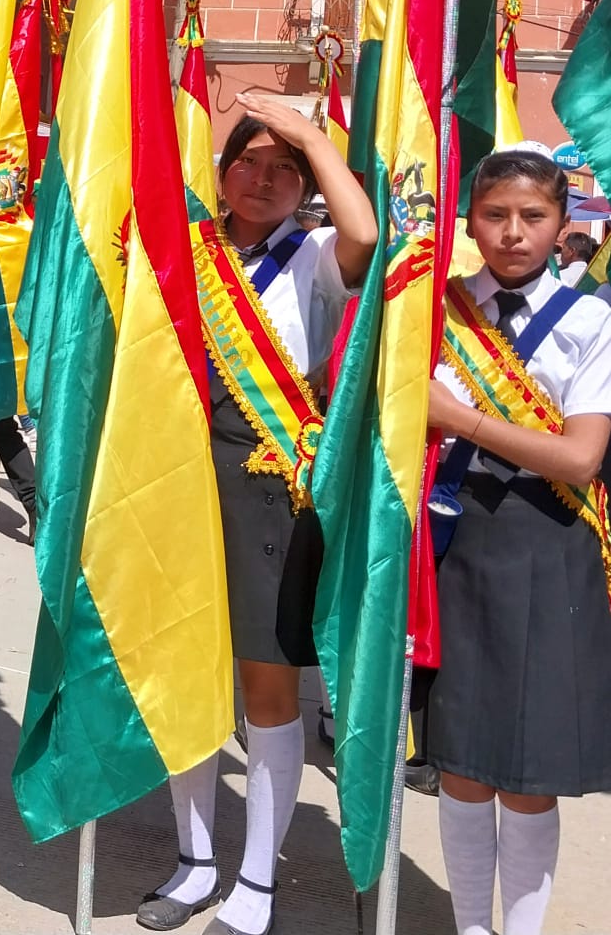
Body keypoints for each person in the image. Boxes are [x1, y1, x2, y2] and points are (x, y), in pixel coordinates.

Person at [137, 94, 376, 935]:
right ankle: (194, 859)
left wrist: (310, 131)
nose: (264, 179)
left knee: (265, 688)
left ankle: (255, 878)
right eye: (250, 161)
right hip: (177, 471)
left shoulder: (312, 254)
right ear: (223, 169)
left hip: (267, 481)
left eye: (287, 169)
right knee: (184, 673)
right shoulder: (186, 249)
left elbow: (368, 239)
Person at [425, 150, 611, 935]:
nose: (513, 233)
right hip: (454, 543)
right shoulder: (437, 311)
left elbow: (579, 457)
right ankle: (472, 927)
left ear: (563, 224)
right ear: (471, 223)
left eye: (533, 217)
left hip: (548, 545)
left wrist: (457, 416)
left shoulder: (593, 322)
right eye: (495, 215)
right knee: (463, 763)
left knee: (528, 770)